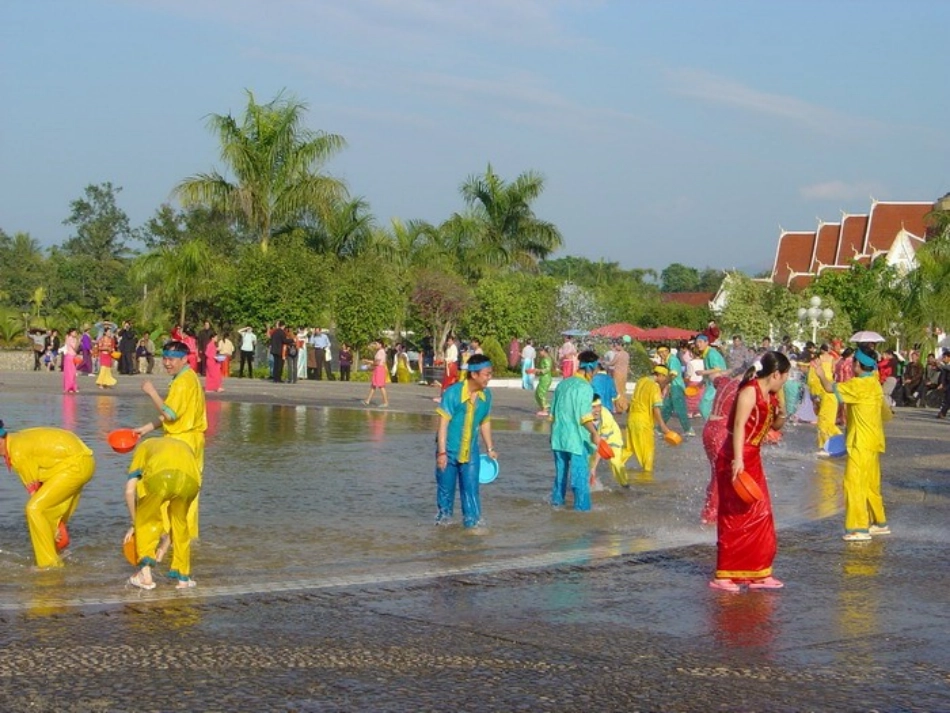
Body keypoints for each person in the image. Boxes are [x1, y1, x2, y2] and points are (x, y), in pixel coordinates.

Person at [709, 351, 790, 592]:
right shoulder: (749, 391)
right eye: (784, 376)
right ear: (776, 373)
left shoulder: (771, 394)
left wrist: (782, 411)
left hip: (753, 456)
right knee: (734, 514)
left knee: (761, 514)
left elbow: (775, 424)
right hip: (736, 455)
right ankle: (724, 574)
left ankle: (759, 572)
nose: (785, 381)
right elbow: (738, 427)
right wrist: (737, 460)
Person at [810, 346, 892, 540]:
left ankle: (858, 528)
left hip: (859, 442)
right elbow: (885, 414)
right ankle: (879, 522)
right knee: (871, 484)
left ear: (857, 364)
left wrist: (821, 373)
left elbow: (830, 388)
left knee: (854, 484)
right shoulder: (874, 384)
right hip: (874, 441)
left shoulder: (857, 385)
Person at [133, 340, 207, 540]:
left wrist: (152, 392)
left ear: (184, 359)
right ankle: (185, 537)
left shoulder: (182, 382)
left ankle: (166, 536)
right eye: (165, 358)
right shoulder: (188, 376)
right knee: (188, 493)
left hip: (181, 442)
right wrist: (146, 429)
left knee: (166, 490)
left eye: (172, 359)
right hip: (193, 440)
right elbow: (176, 414)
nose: (167, 363)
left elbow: (170, 414)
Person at [0, 421, 95, 568]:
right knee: (47, 513)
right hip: (80, 462)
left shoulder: (16, 451)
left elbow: (34, 490)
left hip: (74, 465)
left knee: (34, 509)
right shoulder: (17, 439)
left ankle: (48, 565)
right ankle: (56, 555)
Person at [124, 436, 202, 590]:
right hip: (191, 481)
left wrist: (135, 523)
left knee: (147, 520)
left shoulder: (143, 447)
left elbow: (129, 491)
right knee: (180, 524)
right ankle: (183, 579)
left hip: (160, 477)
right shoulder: (184, 445)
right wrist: (163, 548)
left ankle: (145, 576)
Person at [434, 353, 495, 527]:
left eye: (490, 374)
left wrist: (490, 448)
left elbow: (485, 421)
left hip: (471, 452)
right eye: (487, 374)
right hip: (449, 451)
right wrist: (442, 453)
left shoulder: (486, 396)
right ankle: (443, 528)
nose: (489, 378)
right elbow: (443, 425)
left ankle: (473, 526)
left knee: (472, 491)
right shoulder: (453, 393)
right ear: (474, 374)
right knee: (445, 493)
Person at [549, 350, 602, 512]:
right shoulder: (586, 388)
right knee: (580, 478)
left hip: (558, 437)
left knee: (560, 477)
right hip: (577, 440)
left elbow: (552, 415)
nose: (595, 375)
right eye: (595, 371)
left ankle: (557, 505)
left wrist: (552, 435)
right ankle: (582, 511)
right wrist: (594, 433)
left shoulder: (562, 384)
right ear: (590, 369)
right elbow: (585, 417)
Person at [623, 364, 675, 473]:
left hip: (632, 419)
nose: (665, 380)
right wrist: (663, 426)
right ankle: (647, 480)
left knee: (629, 449)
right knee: (648, 453)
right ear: (660, 375)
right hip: (643, 422)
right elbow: (656, 408)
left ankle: (614, 465)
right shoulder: (654, 386)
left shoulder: (641, 381)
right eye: (664, 377)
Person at [807, 344, 842, 454]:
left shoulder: (816, 363)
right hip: (829, 390)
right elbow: (833, 372)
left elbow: (812, 381)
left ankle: (834, 443)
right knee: (825, 421)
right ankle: (828, 445)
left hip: (825, 391)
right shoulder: (832, 359)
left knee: (823, 421)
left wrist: (814, 396)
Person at [589, 395, 628, 489]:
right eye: (594, 407)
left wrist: (594, 467)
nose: (597, 410)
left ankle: (625, 485)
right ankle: (589, 483)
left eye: (599, 406)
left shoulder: (606, 416)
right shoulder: (584, 414)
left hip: (613, 438)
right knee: (588, 461)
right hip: (595, 438)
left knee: (615, 462)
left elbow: (601, 444)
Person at [658, 344, 693, 436]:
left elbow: (673, 374)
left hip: (676, 387)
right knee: (666, 408)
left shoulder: (672, 360)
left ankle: (689, 429)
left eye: (663, 351)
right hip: (672, 388)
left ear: (668, 351)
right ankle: (659, 428)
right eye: (660, 352)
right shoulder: (668, 360)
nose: (662, 354)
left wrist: (664, 383)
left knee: (680, 409)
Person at [695, 333, 727, 420]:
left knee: (703, 405)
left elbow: (718, 369)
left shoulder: (711, 353)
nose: (698, 344)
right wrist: (702, 382)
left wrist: (703, 372)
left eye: (700, 342)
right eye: (697, 342)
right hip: (713, 383)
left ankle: (710, 425)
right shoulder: (706, 353)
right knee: (712, 407)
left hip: (716, 383)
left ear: (707, 342)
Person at [363, 340, 390, 407]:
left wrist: (368, 362)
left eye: (376, 344)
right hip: (378, 369)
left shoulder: (380, 352)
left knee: (381, 386)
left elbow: (377, 363)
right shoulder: (379, 351)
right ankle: (367, 401)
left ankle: (385, 402)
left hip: (379, 369)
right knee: (373, 385)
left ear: (380, 345)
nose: (375, 345)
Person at [610, 338, 630, 413]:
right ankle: (624, 406)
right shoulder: (627, 354)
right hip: (624, 374)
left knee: (617, 390)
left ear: (620, 345)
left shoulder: (618, 354)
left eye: (616, 345)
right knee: (622, 390)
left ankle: (621, 407)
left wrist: (604, 362)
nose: (615, 347)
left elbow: (612, 363)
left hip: (617, 373)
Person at [533, 345, 554, 417]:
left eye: (540, 351)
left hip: (546, 378)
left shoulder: (547, 359)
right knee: (537, 394)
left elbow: (547, 369)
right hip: (543, 378)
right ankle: (544, 407)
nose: (539, 353)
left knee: (541, 393)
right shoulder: (543, 359)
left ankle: (545, 409)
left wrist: (539, 370)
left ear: (544, 351)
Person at [63, 327, 80, 393]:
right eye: (74, 332)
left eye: (76, 332)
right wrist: (78, 341)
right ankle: (69, 387)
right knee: (69, 373)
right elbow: (75, 348)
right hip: (69, 356)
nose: (75, 333)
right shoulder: (70, 339)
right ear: (71, 333)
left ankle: (72, 387)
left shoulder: (73, 339)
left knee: (73, 373)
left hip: (73, 356)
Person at [936, 349, 950, 419]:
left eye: (944, 357)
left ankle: (942, 413)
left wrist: (941, 365)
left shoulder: (946, 366)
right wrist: (941, 383)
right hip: (947, 384)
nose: (943, 359)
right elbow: (943, 376)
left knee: (948, 398)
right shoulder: (945, 366)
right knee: (947, 398)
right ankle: (942, 413)